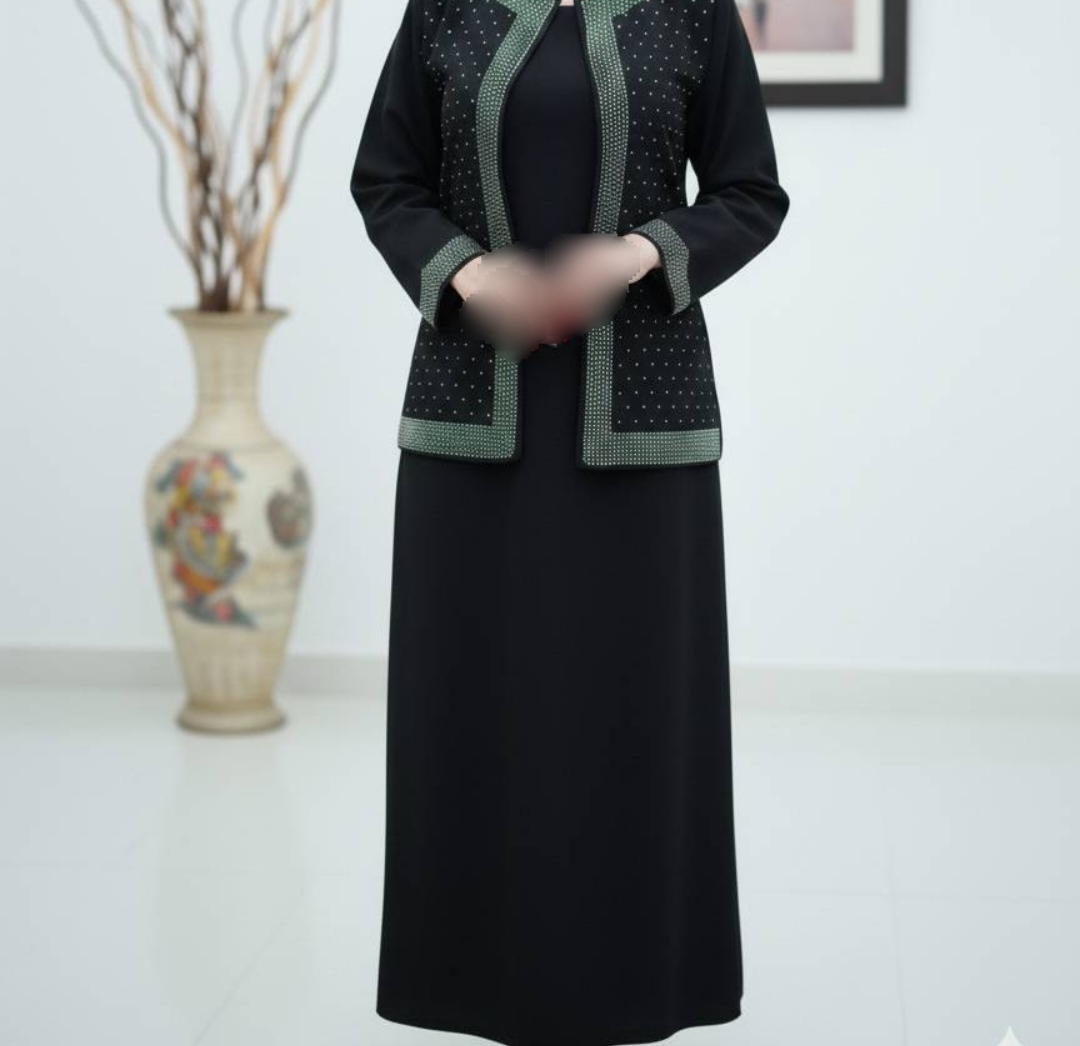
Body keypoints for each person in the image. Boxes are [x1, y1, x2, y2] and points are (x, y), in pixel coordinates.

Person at [349, 1, 789, 1043]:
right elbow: (386, 180)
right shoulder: (443, 9)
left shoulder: (692, 13)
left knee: (631, 713)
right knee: (473, 708)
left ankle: (634, 986)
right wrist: (467, 271)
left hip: (642, 431)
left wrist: (637, 254)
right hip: (471, 422)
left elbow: (750, 192)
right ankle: (474, 986)